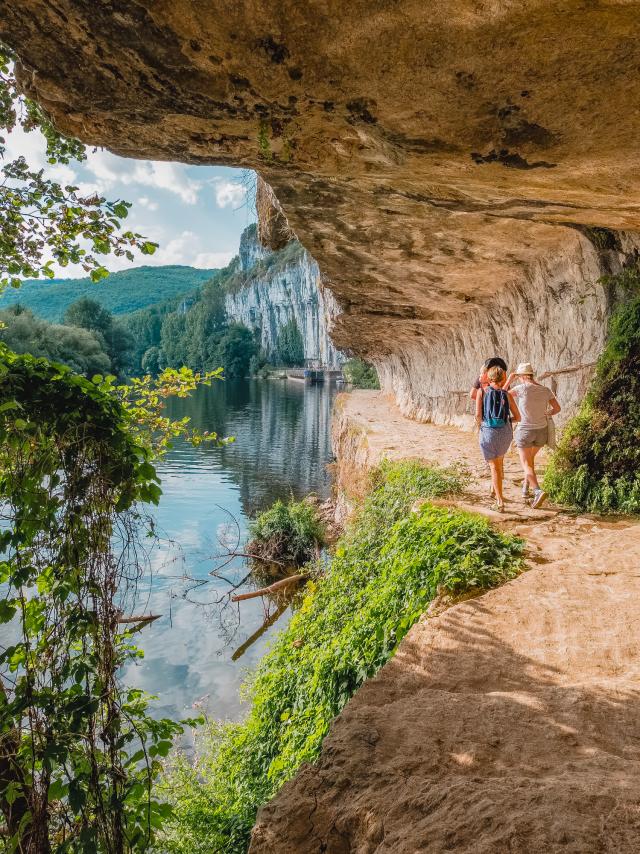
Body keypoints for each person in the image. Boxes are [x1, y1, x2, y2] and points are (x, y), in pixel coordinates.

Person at [505, 362, 561, 509]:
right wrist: (546, 413)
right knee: (530, 461)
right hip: (541, 432)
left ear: (522, 376)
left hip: (525, 431)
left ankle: (537, 491)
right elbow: (557, 408)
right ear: (531, 374)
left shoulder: (521, 388)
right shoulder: (545, 390)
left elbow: (501, 395)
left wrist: (509, 381)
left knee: (526, 464)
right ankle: (525, 488)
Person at [475, 365, 520, 512]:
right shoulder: (506, 394)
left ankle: (500, 502)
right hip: (505, 433)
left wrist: (479, 428)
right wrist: (507, 422)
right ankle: (494, 491)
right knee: (499, 463)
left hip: (488, 431)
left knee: (493, 467)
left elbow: (478, 416)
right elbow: (518, 417)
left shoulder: (482, 392)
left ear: (489, 377)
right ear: (503, 378)